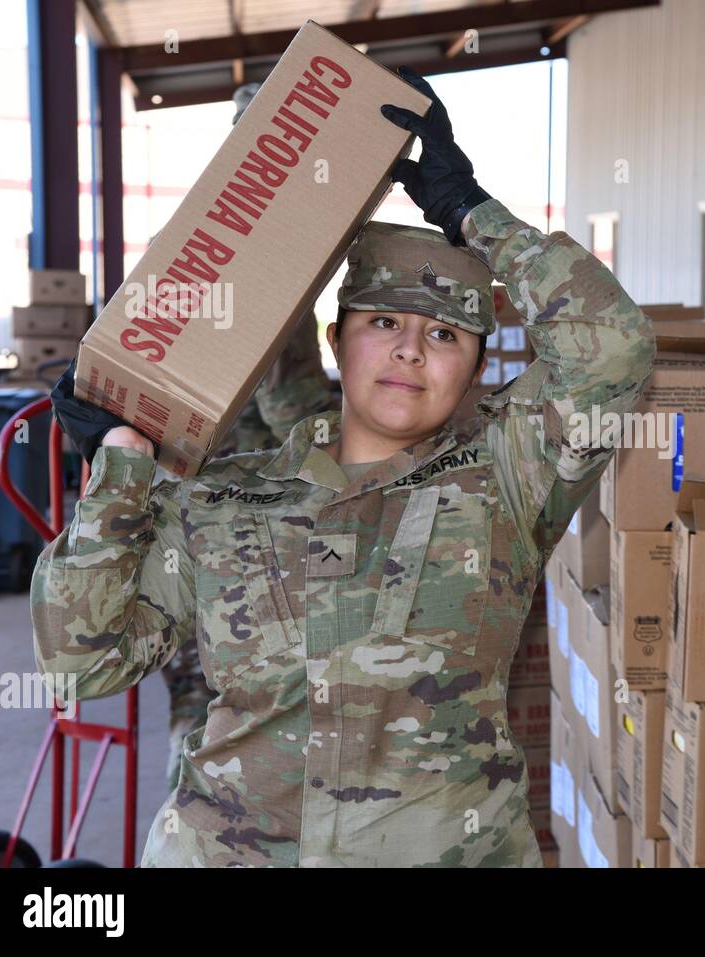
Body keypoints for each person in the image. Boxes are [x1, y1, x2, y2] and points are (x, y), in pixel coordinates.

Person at [32, 67, 654, 867]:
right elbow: (82, 661)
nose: (408, 349)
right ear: (336, 340)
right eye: (385, 321)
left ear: (475, 365)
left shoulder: (507, 473)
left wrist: (469, 210)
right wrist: (117, 473)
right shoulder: (221, 499)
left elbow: (614, 346)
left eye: (444, 336)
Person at [156, 83, 338, 793]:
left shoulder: (202, 237)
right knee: (224, 729)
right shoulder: (264, 256)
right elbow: (296, 412)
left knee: (201, 714)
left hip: (187, 511)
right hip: (235, 528)